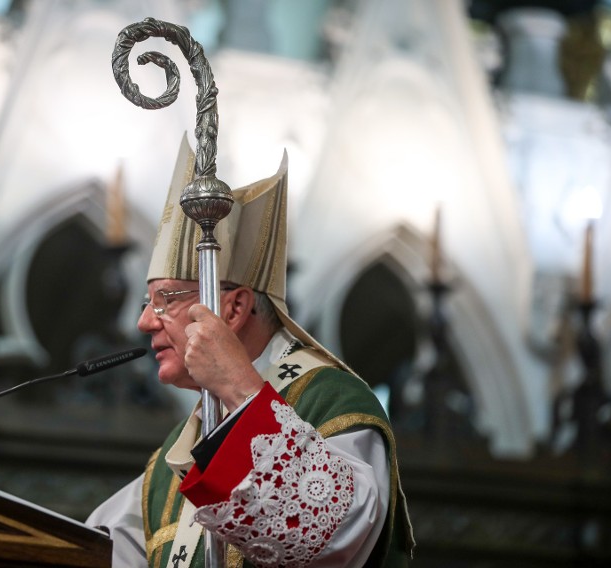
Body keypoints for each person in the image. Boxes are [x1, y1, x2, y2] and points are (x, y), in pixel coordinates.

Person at [87, 137, 414, 567]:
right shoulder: (166, 467)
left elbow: (336, 532)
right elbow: (91, 547)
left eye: (166, 299)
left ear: (235, 308)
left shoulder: (333, 402)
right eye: (146, 302)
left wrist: (237, 385)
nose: (145, 322)